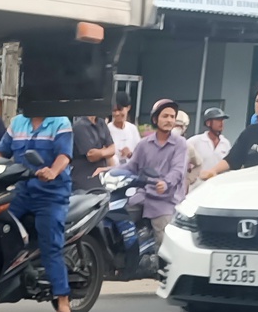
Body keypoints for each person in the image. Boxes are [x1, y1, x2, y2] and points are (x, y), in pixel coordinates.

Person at [0, 110, 77, 312]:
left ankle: (62, 299)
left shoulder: (60, 122)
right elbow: (1, 152)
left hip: (51, 194)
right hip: (22, 192)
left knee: (50, 244)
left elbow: (64, 155)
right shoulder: (18, 123)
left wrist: (53, 171)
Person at [121, 97, 190, 243]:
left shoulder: (180, 144)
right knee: (119, 217)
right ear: (155, 119)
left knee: (163, 241)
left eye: (172, 117)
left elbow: (178, 170)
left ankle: (159, 257)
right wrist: (108, 171)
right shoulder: (143, 144)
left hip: (166, 200)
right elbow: (131, 167)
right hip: (143, 195)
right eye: (165, 116)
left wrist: (165, 183)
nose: (169, 120)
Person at [187, 107, 231, 192]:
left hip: (218, 189)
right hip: (196, 188)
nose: (221, 123)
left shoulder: (226, 143)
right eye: (218, 120)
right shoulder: (195, 141)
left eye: (222, 120)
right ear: (208, 123)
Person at [71, 109, 115, 192]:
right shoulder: (79, 126)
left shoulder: (101, 123)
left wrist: (101, 152)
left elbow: (113, 149)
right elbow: (91, 156)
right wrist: (105, 150)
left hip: (101, 181)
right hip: (84, 183)